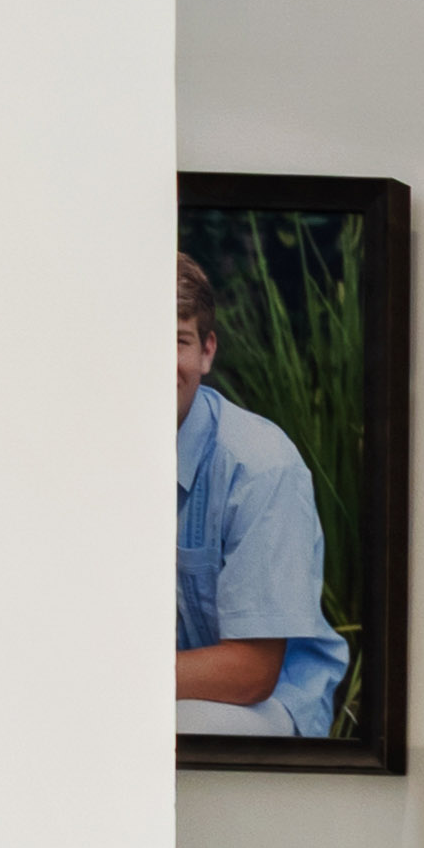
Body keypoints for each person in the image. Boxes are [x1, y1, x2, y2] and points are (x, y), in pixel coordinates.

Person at [169, 251, 344, 742]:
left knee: (167, 732)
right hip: (150, 689)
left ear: (206, 351)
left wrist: (102, 678)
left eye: (176, 341)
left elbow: (250, 673)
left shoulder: (260, 464)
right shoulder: (87, 457)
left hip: (269, 703)